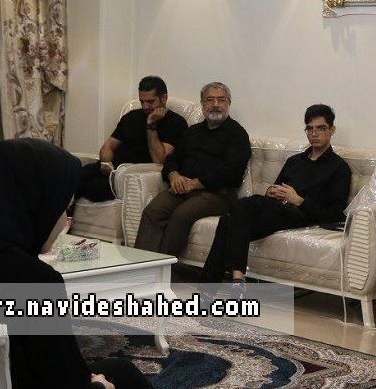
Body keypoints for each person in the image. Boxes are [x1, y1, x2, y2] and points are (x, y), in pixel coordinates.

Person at [0, 139, 151, 389]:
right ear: (36, 204)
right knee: (123, 378)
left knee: (121, 369)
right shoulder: (34, 282)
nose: (64, 221)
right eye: (63, 208)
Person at [201, 104, 352, 296]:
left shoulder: (339, 168)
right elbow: (276, 188)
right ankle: (227, 286)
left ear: (332, 130)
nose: (314, 133)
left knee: (235, 212)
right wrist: (271, 191)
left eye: (320, 128)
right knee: (230, 221)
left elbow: (336, 213)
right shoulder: (295, 161)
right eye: (309, 129)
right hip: (275, 210)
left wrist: (298, 200)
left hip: (301, 215)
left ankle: (224, 284)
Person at [134, 82, 251, 255]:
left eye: (221, 100)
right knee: (153, 211)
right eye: (210, 100)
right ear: (202, 104)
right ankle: (142, 265)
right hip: (183, 189)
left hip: (217, 194)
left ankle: (165, 267)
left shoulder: (237, 134)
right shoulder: (193, 132)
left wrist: (194, 184)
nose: (216, 104)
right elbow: (172, 159)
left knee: (181, 215)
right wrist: (174, 175)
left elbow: (231, 171)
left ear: (229, 104)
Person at [76, 76, 188, 202]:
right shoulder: (131, 116)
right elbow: (109, 146)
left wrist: (151, 124)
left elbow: (160, 160)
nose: (145, 106)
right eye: (142, 102)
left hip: (130, 175)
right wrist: (106, 163)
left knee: (89, 186)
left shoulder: (176, 123)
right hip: (111, 169)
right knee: (70, 173)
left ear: (164, 98)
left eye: (150, 102)